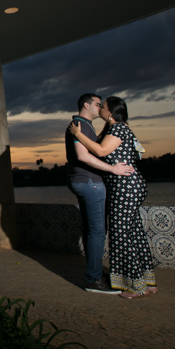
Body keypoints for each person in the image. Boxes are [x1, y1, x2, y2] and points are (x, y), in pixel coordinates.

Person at [69, 96, 157, 299]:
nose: (100, 108)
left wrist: (77, 134)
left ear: (110, 113)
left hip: (125, 187)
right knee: (134, 233)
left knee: (120, 235)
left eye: (103, 106)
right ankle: (147, 282)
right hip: (128, 186)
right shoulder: (118, 129)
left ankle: (134, 286)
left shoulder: (118, 129)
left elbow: (100, 151)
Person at [65, 93, 135, 295]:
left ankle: (94, 273)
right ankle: (93, 279)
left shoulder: (81, 125)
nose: (101, 108)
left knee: (91, 231)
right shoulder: (82, 125)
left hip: (83, 181)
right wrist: (113, 169)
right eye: (98, 104)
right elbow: (82, 156)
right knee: (97, 232)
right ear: (86, 105)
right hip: (90, 182)